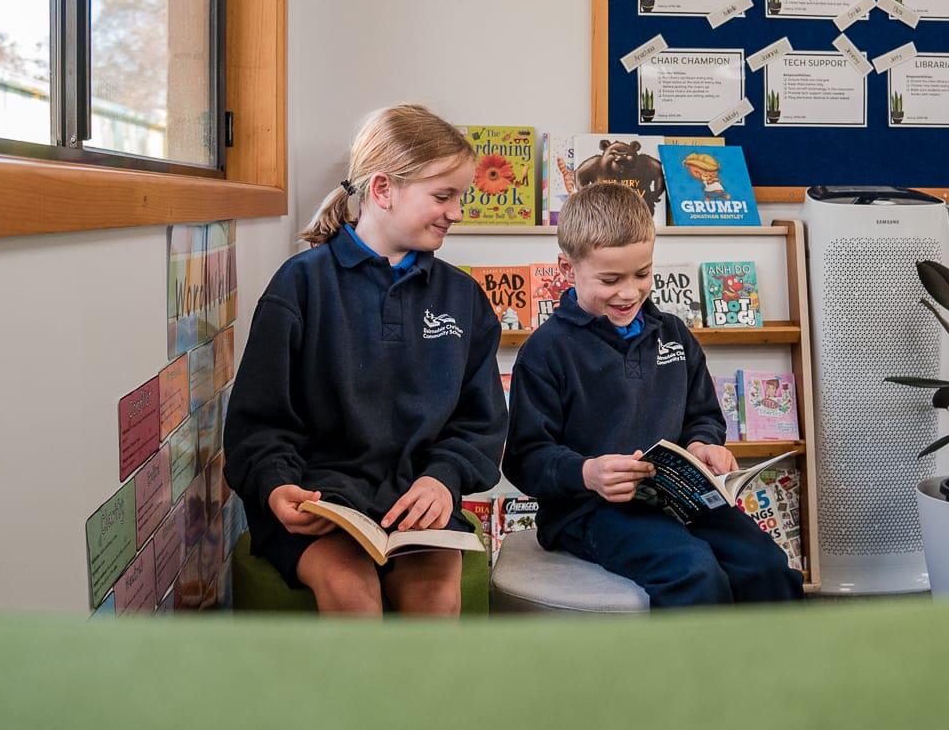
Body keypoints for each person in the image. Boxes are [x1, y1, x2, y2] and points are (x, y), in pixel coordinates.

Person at [224, 105, 506, 617]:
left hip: (417, 503)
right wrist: (276, 485)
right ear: (382, 190)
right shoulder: (301, 284)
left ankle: (423, 701)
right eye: (443, 196)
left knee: (436, 600)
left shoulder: (464, 299)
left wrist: (443, 478)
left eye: (459, 196)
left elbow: (479, 421)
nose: (457, 212)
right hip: (320, 503)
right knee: (351, 594)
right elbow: (257, 423)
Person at [502, 183, 803, 608]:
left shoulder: (673, 334)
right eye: (610, 279)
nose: (629, 293)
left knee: (767, 564)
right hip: (588, 510)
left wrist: (704, 445)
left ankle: (775, 672)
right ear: (567, 268)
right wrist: (587, 473)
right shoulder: (545, 352)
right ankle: (691, 676)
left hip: (676, 498)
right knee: (692, 571)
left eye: (642, 273)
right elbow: (525, 457)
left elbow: (703, 414)